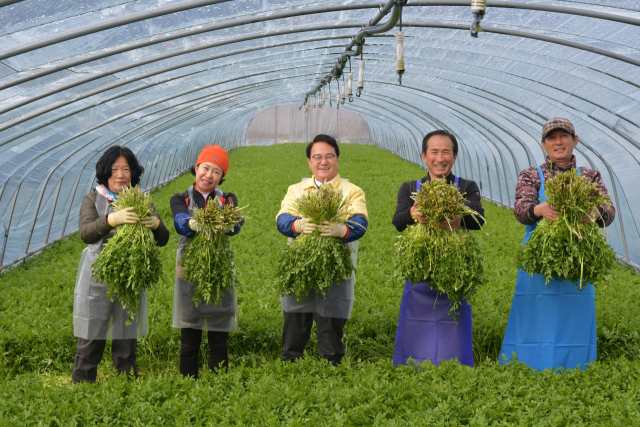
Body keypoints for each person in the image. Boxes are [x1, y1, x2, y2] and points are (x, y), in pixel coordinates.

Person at [500, 118, 615, 371]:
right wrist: (539, 208)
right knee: (534, 312)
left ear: (575, 141)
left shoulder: (589, 176)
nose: (558, 142)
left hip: (578, 257)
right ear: (544, 144)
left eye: (564, 136)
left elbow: (609, 210)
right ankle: (526, 365)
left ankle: (575, 366)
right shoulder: (531, 175)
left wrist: (595, 213)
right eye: (552, 138)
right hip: (540, 257)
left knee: (574, 313)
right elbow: (520, 210)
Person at [72, 146, 169, 384]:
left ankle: (124, 386)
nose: (120, 175)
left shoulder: (141, 200)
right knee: (91, 333)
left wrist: (155, 224)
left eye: (126, 169)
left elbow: (163, 239)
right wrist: (111, 219)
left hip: (130, 278)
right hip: (98, 276)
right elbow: (86, 233)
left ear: (133, 173)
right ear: (105, 173)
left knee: (126, 335)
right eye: (114, 169)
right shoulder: (93, 199)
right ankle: (82, 383)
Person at [391, 129, 485, 367]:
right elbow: (398, 222)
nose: (440, 158)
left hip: (454, 269)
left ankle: (456, 366)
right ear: (424, 156)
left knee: (454, 321)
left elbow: (479, 219)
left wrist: (460, 220)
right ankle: (410, 365)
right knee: (416, 322)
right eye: (434, 152)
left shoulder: (466, 186)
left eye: (446, 152)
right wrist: (413, 213)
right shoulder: (411, 187)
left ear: (454, 157)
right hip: (421, 266)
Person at [276, 134, 368, 366]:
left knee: (330, 324)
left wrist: (342, 230)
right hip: (300, 267)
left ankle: (331, 367)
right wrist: (296, 225)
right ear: (309, 161)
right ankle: (290, 365)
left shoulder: (351, 191)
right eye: (317, 157)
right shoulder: (297, 190)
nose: (323, 162)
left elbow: (360, 221)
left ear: (337, 159)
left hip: (336, 268)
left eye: (329, 156)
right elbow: (283, 218)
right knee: (296, 320)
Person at [170, 145, 244, 379]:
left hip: (219, 267)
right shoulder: (179, 198)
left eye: (216, 171)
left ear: (222, 176)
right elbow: (180, 220)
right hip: (190, 268)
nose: (209, 175)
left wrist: (232, 223)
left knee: (219, 335)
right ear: (196, 168)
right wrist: (191, 224)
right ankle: (188, 382)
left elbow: (236, 227)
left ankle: (218, 384)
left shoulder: (227, 199)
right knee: (189, 336)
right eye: (205, 168)